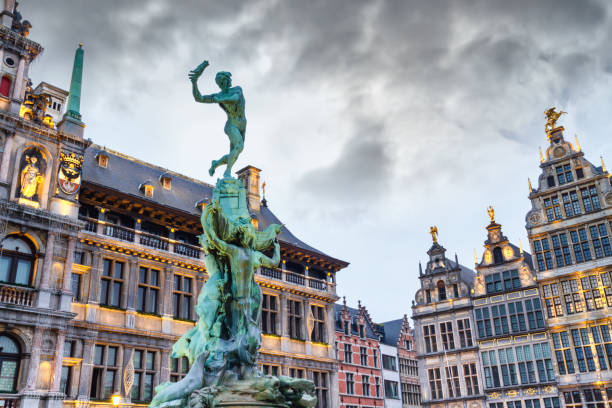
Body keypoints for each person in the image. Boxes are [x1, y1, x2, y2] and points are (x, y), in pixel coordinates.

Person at [189, 61, 246, 178]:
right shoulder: (219, 96)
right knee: (239, 146)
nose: (221, 84)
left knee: (235, 153)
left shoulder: (236, 89)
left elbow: (235, 99)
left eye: (222, 81)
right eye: (219, 83)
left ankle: (215, 163)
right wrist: (194, 82)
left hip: (242, 124)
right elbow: (198, 98)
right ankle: (227, 172)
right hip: (231, 125)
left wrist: (219, 99)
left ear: (227, 81)